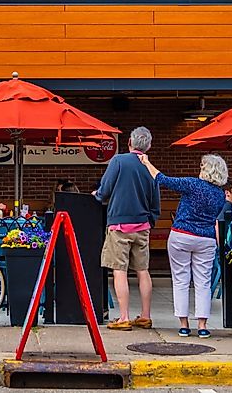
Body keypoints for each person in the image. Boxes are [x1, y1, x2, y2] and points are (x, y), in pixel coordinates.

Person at [139, 152, 228, 338]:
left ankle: (184, 324)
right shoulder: (220, 195)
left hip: (182, 235)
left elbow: (162, 179)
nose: (200, 169)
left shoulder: (192, 184)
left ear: (207, 170)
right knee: (203, 282)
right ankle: (202, 325)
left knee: (181, 280)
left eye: (203, 166)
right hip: (206, 239)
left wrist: (147, 162)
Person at [93, 126, 160, 331]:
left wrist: (97, 194)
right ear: (148, 146)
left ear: (129, 142)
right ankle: (145, 316)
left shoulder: (119, 161)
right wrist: (150, 220)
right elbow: (155, 201)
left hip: (120, 225)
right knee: (143, 270)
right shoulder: (150, 167)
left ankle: (123, 317)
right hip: (143, 225)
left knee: (119, 270)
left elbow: (104, 190)